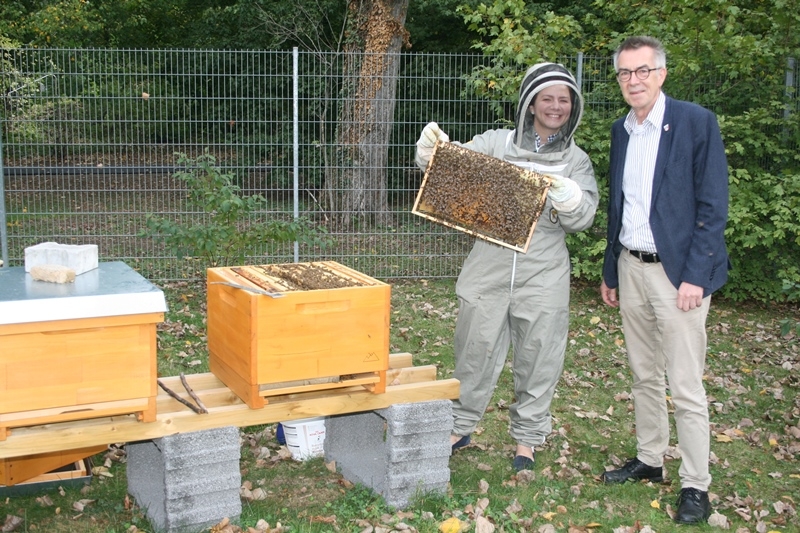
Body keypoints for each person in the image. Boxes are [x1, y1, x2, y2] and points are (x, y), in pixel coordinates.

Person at [415, 63, 598, 472]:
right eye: (546, 98)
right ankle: (460, 426)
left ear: (574, 106)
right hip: (488, 263)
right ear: (530, 102)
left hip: (545, 271)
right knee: (474, 347)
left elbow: (582, 217)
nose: (555, 107)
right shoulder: (496, 143)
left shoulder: (577, 160)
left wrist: (569, 198)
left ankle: (527, 442)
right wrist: (432, 154)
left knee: (539, 355)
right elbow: (450, 171)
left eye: (563, 100)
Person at [599, 36, 730, 524]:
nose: (634, 81)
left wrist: (695, 276)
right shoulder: (621, 130)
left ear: (662, 73)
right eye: (625, 73)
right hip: (631, 269)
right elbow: (621, 205)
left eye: (643, 71)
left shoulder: (696, 122)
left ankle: (696, 484)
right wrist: (612, 269)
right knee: (643, 374)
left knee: (685, 383)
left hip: (679, 278)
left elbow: (713, 207)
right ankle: (650, 458)